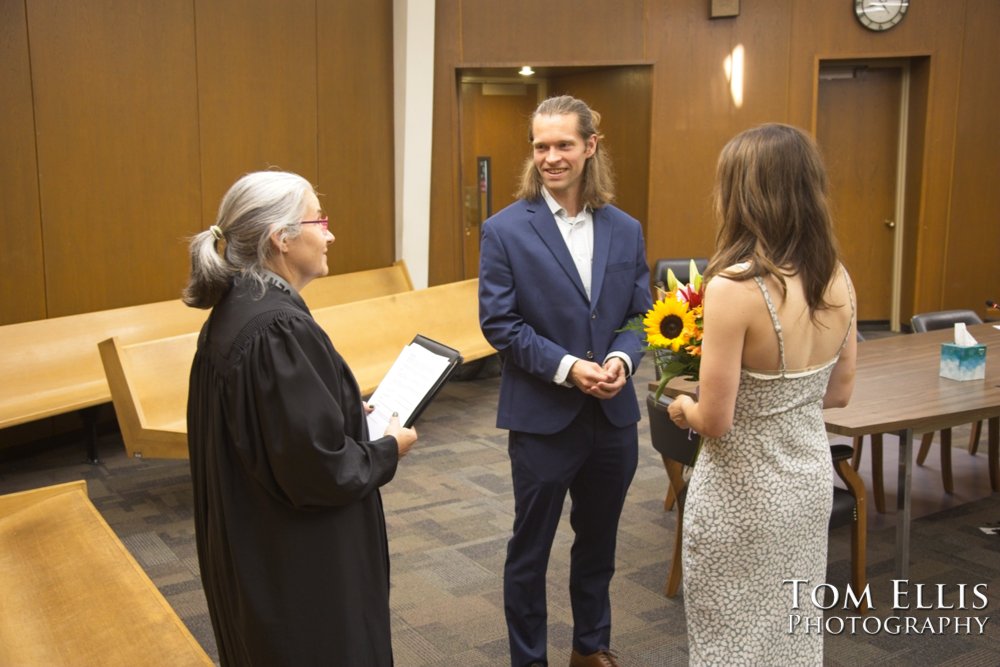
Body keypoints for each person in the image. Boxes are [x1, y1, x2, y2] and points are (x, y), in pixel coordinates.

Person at [183, 170, 417, 667]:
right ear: (281, 238)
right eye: (320, 219)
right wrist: (387, 448)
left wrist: (344, 409)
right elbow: (318, 469)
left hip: (258, 541)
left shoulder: (240, 309)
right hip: (299, 561)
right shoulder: (275, 327)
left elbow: (274, 427)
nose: (329, 234)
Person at [667, 123, 857, 665]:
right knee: (793, 633)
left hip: (742, 495)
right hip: (806, 483)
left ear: (742, 195)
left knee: (729, 638)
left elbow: (715, 420)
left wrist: (681, 406)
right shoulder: (837, 278)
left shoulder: (733, 287)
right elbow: (840, 392)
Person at [478, 95, 652, 667]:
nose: (551, 157)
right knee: (530, 552)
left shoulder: (626, 229)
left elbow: (639, 316)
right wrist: (569, 368)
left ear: (590, 147)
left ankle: (589, 647)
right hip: (543, 417)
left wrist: (623, 362)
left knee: (598, 543)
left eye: (563, 145)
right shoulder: (504, 230)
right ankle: (528, 660)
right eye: (541, 146)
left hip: (612, 416)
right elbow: (501, 325)